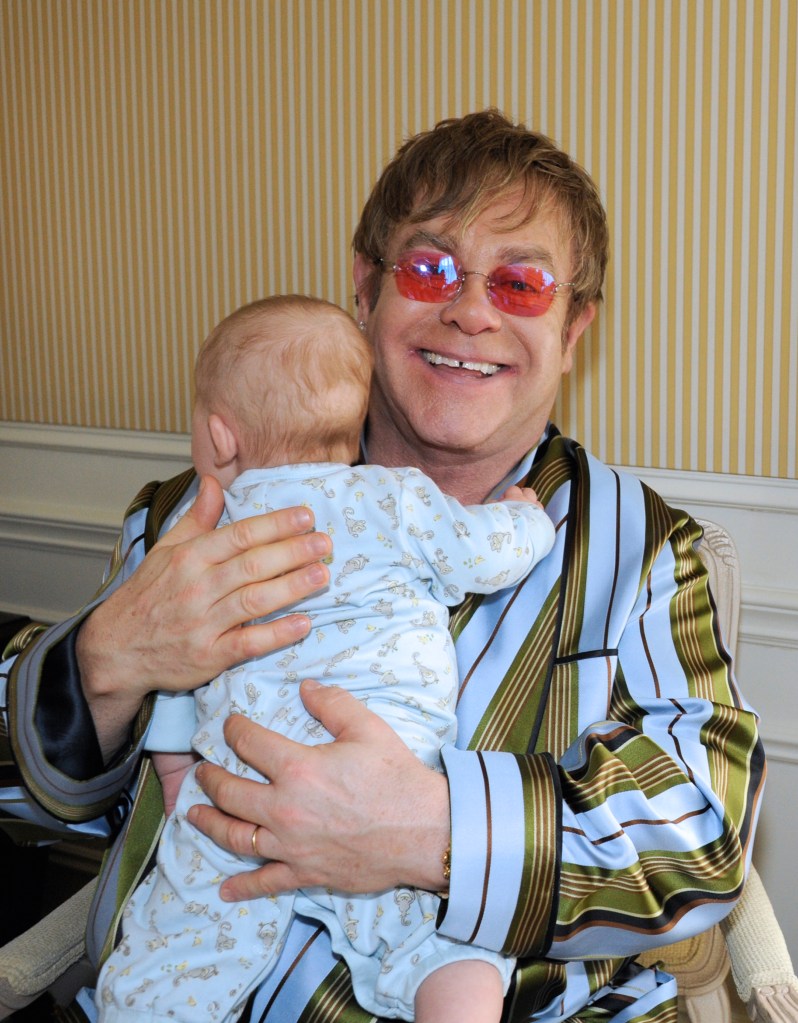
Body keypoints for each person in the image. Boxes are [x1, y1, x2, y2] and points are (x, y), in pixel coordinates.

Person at [1, 110, 765, 1023]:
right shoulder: (193, 516)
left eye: (520, 282)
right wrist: (104, 662)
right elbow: (37, 805)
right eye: (430, 267)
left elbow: (704, 835)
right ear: (365, 290)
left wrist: (432, 830)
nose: (470, 310)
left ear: (574, 330)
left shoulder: (640, 550)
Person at [96, 293, 555, 1023]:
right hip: (398, 768)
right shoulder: (398, 499)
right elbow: (484, 552)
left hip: (241, 790)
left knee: (180, 939)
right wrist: (528, 521)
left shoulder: (202, 534)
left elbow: (178, 661)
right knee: (444, 942)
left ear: (219, 435)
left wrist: (177, 770)